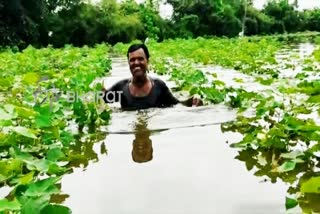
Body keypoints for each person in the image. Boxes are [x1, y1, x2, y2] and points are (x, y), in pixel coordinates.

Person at [103, 43, 202, 110]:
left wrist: (193, 100)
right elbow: (101, 100)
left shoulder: (159, 87)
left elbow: (177, 104)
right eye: (132, 60)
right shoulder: (121, 88)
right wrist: (97, 92)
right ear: (128, 63)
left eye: (140, 59)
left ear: (147, 61)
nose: (136, 63)